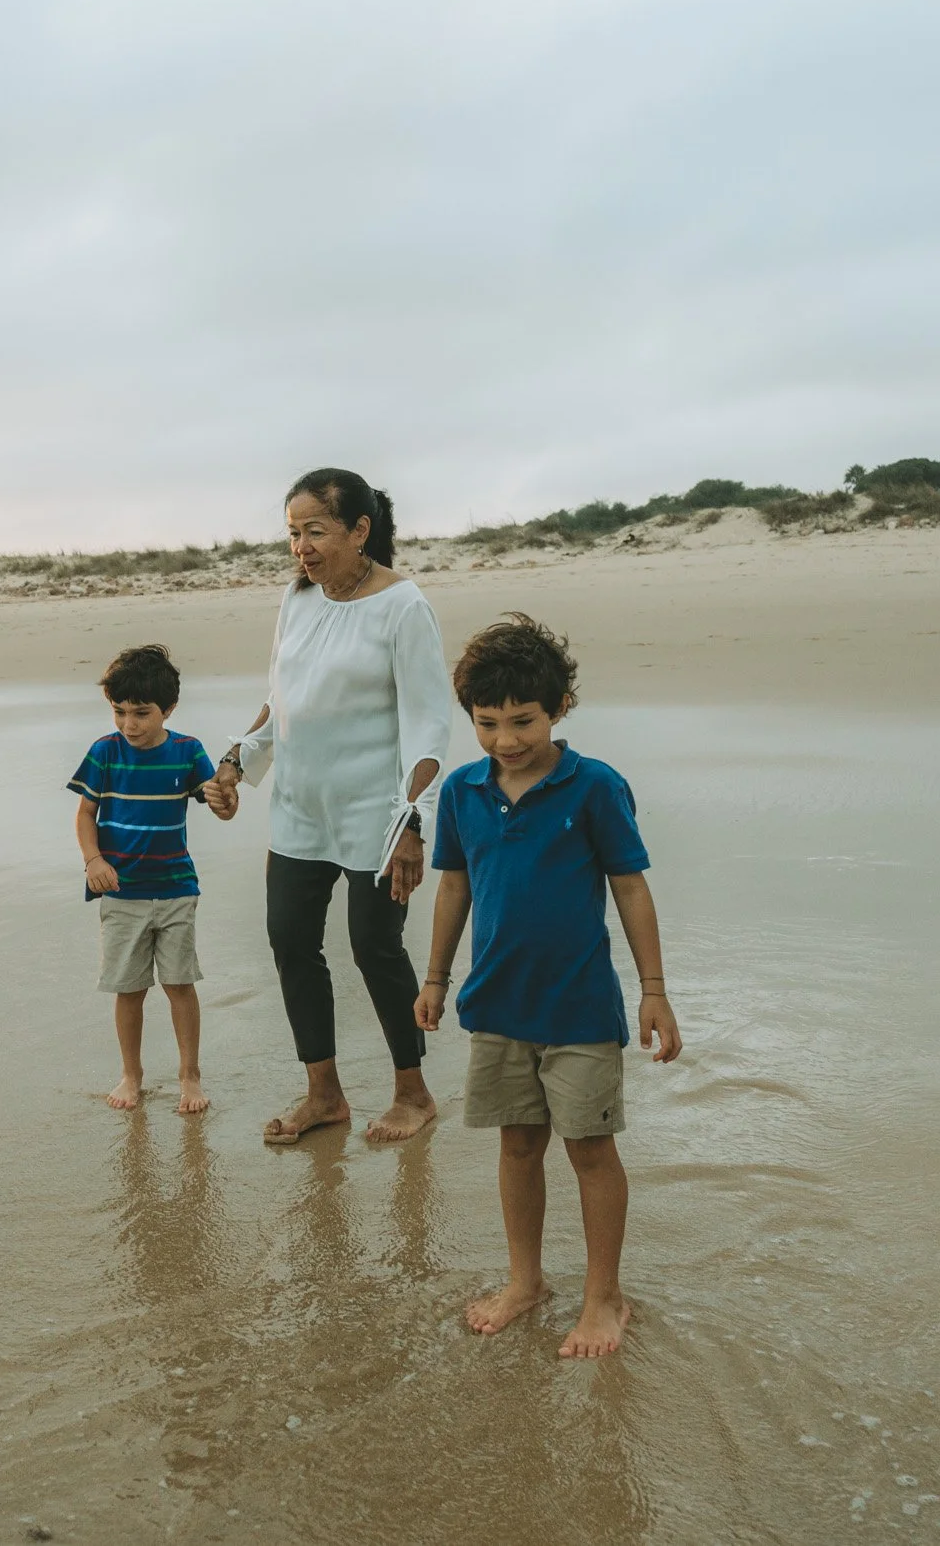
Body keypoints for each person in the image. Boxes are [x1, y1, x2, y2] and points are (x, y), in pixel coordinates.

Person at [414, 616, 682, 1360]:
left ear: (560, 705)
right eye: (487, 722)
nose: (506, 739)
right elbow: (454, 886)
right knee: (518, 1144)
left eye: (523, 720)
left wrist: (653, 989)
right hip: (497, 1004)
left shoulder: (593, 785)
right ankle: (525, 1279)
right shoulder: (465, 791)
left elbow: (629, 888)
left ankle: (604, 1296)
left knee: (591, 1150)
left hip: (578, 1007)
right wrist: (435, 976)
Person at [203, 468, 456, 1146]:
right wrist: (234, 762)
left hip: (377, 814)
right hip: (298, 809)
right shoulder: (298, 598)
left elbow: (430, 723)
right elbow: (281, 698)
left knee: (375, 947)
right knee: (291, 941)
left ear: (360, 529)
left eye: (315, 530)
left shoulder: (404, 607)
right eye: (292, 533)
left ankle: (413, 1092)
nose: (301, 548)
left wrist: (413, 822)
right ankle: (325, 1094)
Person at [69, 644, 226, 1116]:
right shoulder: (104, 752)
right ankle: (131, 1073)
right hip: (120, 890)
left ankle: (189, 1074)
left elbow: (219, 806)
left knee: (180, 984)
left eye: (141, 713)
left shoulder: (187, 751)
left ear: (168, 710)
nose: (129, 724)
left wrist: (226, 796)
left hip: (176, 887)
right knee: (129, 988)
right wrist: (93, 861)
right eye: (119, 712)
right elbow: (85, 814)